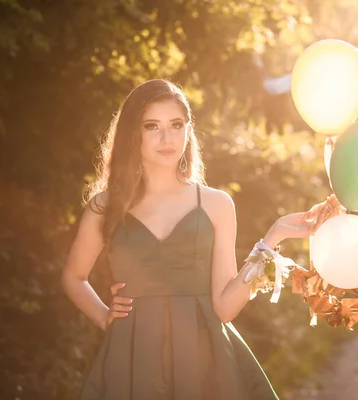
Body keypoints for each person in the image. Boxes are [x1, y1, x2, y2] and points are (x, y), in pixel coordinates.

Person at [62, 79, 318, 399]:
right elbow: (74, 277)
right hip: (132, 357)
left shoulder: (216, 204)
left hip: (205, 360)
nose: (167, 137)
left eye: (176, 125)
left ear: (188, 130)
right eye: (152, 126)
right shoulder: (105, 206)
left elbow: (224, 308)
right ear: (133, 133)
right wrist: (104, 317)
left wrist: (271, 241)